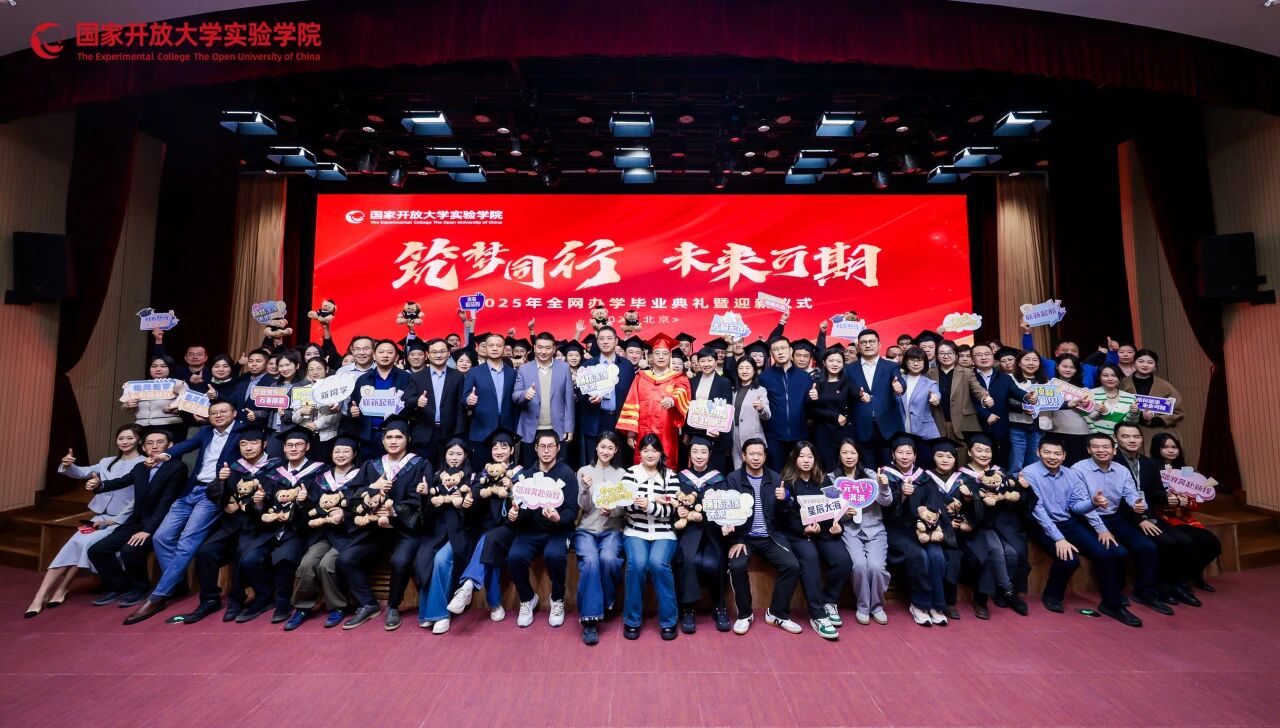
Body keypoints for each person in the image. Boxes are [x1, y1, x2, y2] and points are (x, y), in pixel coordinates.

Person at [120, 400, 244, 624]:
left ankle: (158, 596)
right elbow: (186, 445)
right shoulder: (205, 431)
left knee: (187, 541)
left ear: (234, 413)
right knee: (161, 537)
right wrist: (165, 455)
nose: (218, 415)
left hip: (213, 493)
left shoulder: (242, 432)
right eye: (214, 413)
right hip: (191, 489)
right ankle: (175, 583)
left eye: (223, 411)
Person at [1021, 435, 1142, 627]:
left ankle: (1112, 604)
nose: (1052, 457)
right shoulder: (1029, 473)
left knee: (1105, 554)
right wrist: (1059, 539)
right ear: (1038, 453)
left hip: (1068, 521)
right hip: (1040, 524)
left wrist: (1092, 503)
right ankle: (1052, 596)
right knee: (1069, 560)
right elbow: (1039, 511)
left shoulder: (1070, 474)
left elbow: (1076, 506)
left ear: (1064, 455)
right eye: (1047, 452)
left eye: (1057, 453)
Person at [26, 425, 143, 617]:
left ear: (139, 440)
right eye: (121, 438)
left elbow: (140, 499)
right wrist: (68, 465)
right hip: (99, 516)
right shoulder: (107, 462)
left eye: (130, 438)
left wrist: (115, 520)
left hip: (122, 520)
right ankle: (41, 595)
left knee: (84, 543)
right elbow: (81, 472)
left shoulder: (144, 463)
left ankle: (62, 587)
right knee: (74, 543)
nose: (125, 442)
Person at [168, 425, 277, 625]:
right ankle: (209, 599)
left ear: (264, 444)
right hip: (232, 525)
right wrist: (221, 481)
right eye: (243, 444)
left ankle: (237, 599)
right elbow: (215, 494)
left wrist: (259, 502)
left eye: (254, 443)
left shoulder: (275, 468)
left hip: (260, 527)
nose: (248, 448)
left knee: (243, 552)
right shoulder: (233, 467)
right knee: (206, 551)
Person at [337, 417, 431, 630]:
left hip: (404, 530)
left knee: (400, 560)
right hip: (374, 530)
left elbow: (420, 501)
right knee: (345, 559)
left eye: (398, 437)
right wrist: (372, 487)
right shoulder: (371, 465)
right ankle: (368, 603)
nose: (393, 441)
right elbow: (350, 495)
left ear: (408, 440)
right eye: (389, 437)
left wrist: (393, 510)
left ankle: (393, 606)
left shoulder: (420, 464)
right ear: (382, 440)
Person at [1070, 433, 1172, 616]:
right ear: (1088, 450)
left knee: (1147, 547)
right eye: (1096, 447)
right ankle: (1113, 597)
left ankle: (1144, 592)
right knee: (1117, 552)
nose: (1101, 450)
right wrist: (1101, 529)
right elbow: (1081, 505)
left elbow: (1132, 494)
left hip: (1114, 517)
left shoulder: (1122, 470)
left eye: (1105, 447)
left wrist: (1138, 505)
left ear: (1114, 450)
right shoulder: (1078, 469)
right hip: (1087, 519)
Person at [84, 429, 187, 612]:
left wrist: (147, 530)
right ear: (143, 448)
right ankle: (120, 587)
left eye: (160, 442)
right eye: (149, 443)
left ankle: (140, 588)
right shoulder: (141, 467)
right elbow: (121, 481)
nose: (154, 446)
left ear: (170, 446)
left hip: (160, 523)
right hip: (136, 521)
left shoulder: (177, 467)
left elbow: (166, 503)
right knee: (97, 550)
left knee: (130, 550)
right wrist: (100, 485)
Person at [240, 427, 325, 624]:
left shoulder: (320, 471)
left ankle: (283, 602)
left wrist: (302, 503)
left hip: (299, 530)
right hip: (270, 530)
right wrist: (259, 503)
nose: (293, 449)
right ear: (284, 448)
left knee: (285, 559)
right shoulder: (272, 471)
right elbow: (260, 503)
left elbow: (321, 503)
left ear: (307, 447)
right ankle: (263, 597)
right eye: (289, 445)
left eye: (298, 445)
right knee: (250, 560)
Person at [723, 438, 803, 636]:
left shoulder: (775, 478)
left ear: (765, 456)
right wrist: (736, 540)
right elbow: (728, 512)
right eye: (752, 454)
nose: (756, 458)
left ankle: (777, 613)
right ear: (744, 456)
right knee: (737, 565)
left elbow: (787, 515)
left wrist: (785, 500)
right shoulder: (733, 478)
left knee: (792, 565)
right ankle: (745, 614)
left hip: (770, 536)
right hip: (745, 538)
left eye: (760, 454)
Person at [283, 435, 362, 630]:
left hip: (348, 535)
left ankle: (337, 606)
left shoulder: (361, 476)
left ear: (354, 454)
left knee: (327, 565)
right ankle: (302, 607)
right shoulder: (321, 478)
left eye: (345, 451)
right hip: (323, 533)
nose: (341, 455)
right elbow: (311, 508)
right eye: (337, 451)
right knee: (307, 564)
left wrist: (344, 514)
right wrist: (302, 502)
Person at [506, 430, 579, 628]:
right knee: (514, 556)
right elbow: (520, 508)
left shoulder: (567, 474)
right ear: (536, 448)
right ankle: (527, 598)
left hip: (558, 531)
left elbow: (572, 511)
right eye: (542, 446)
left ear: (558, 448)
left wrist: (558, 518)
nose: (546, 451)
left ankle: (557, 599)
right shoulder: (526, 476)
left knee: (554, 556)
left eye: (551, 446)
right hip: (530, 531)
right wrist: (515, 515)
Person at [877, 435, 950, 627]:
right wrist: (901, 495)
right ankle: (919, 604)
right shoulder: (886, 476)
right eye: (900, 452)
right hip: (897, 530)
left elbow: (934, 504)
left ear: (915, 456)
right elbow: (885, 511)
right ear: (893, 455)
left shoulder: (924, 477)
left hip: (924, 529)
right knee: (919, 556)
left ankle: (937, 605)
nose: (904, 456)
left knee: (936, 556)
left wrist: (929, 521)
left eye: (909, 453)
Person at [777, 441, 846, 640]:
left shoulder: (824, 480)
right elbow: (785, 517)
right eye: (802, 456)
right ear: (794, 458)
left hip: (823, 532)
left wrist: (837, 523)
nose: (806, 460)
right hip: (798, 534)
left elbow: (836, 507)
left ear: (815, 459)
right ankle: (818, 615)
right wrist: (803, 528)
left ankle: (829, 601)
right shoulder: (786, 482)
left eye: (810, 456)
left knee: (843, 560)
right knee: (810, 558)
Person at [619, 433, 682, 641]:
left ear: (661, 453)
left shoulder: (670, 476)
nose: (650, 454)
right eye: (645, 450)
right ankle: (632, 620)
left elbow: (671, 511)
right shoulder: (630, 473)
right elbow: (625, 505)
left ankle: (669, 620)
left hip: (664, 532)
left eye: (654, 450)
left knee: (658, 563)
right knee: (637, 564)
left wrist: (649, 505)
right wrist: (647, 501)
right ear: (639, 453)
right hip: (635, 530)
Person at [958, 434, 1030, 618]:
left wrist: (1023, 487)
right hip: (977, 525)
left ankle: (1002, 591)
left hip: (1002, 524)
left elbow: (1020, 498)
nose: (984, 454)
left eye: (987, 450)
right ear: (969, 452)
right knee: (994, 551)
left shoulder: (1002, 473)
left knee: (1013, 553)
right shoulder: (962, 476)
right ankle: (1007, 592)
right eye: (979, 450)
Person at [1146, 431, 1223, 598]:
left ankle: (1194, 574)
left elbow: (1194, 503)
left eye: (1174, 447)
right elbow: (1150, 499)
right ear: (1156, 448)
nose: (1170, 450)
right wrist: (1169, 500)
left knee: (1213, 543)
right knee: (1187, 542)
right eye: (1165, 447)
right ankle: (1179, 581)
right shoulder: (1151, 469)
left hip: (1184, 517)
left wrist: (1187, 500)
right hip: (1162, 517)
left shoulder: (1186, 472)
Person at [827, 439, 892, 625]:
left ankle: (877, 606)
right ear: (839, 455)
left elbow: (886, 502)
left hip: (875, 530)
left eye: (853, 452)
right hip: (851, 531)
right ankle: (863, 606)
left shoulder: (871, 475)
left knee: (876, 567)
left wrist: (884, 486)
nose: (849, 456)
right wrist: (845, 514)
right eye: (845, 452)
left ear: (858, 455)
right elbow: (830, 511)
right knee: (859, 566)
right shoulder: (832, 478)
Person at [414, 439, 475, 634]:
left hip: (460, 533)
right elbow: (427, 517)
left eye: (458, 454)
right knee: (424, 560)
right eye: (451, 454)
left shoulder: (472, 478)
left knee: (441, 560)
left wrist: (468, 505)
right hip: (436, 532)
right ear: (445, 456)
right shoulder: (436, 477)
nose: (454, 458)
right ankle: (426, 612)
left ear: (465, 455)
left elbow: (477, 515)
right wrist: (425, 496)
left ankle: (440, 614)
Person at [574, 432, 627, 645]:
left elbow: (624, 506)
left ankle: (604, 601)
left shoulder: (621, 474)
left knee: (609, 559)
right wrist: (585, 489)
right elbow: (583, 506)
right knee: (590, 561)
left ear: (616, 451)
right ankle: (590, 620)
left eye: (610, 448)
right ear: (596, 447)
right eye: (602, 447)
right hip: (586, 530)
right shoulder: (584, 471)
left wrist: (612, 511)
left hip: (612, 530)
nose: (605, 451)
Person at [674, 437, 730, 634]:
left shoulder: (719, 479)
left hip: (713, 531)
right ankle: (688, 608)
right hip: (689, 530)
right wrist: (679, 512)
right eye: (695, 451)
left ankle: (720, 606)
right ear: (689, 454)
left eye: (703, 452)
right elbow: (673, 505)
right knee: (688, 559)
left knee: (717, 561)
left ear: (710, 454)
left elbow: (726, 508)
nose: (699, 456)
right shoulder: (680, 478)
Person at [616, 333, 690, 464]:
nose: (661, 357)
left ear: (670, 357)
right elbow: (632, 402)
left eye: (665, 353)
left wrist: (673, 400)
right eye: (657, 353)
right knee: (642, 462)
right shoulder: (641, 377)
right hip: (643, 430)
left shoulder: (678, 377)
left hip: (667, 431)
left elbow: (682, 390)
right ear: (650, 356)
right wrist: (631, 433)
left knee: (666, 463)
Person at [512, 332, 575, 467]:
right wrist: (525, 395)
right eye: (540, 347)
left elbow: (569, 400)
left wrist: (569, 426)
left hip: (557, 428)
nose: (543, 351)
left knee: (557, 469)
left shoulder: (564, 368)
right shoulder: (524, 369)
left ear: (554, 349)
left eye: (547, 348)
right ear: (534, 348)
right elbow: (515, 395)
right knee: (531, 469)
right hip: (531, 429)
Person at [342, 339, 415, 456]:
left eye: (390, 352)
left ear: (396, 357)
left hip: (396, 436)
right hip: (369, 436)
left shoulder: (406, 378)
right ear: (374, 356)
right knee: (369, 466)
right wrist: (353, 410)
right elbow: (353, 403)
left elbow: (412, 404)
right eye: (381, 352)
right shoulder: (363, 379)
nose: (385, 355)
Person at [578, 325, 637, 469]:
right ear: (597, 342)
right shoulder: (588, 366)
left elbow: (633, 395)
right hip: (596, 420)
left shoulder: (626, 366)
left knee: (619, 464)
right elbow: (580, 394)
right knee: (594, 463)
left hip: (619, 422)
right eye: (602, 339)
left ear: (616, 341)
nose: (605, 342)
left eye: (609, 338)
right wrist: (589, 399)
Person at [846, 329, 906, 469]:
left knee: (889, 470)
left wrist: (900, 387)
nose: (868, 345)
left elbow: (900, 381)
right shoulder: (849, 369)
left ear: (879, 344)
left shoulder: (891, 366)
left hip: (887, 427)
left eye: (872, 341)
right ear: (858, 346)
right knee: (867, 470)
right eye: (863, 342)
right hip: (861, 427)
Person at [461, 332, 519, 470]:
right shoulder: (474, 372)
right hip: (481, 430)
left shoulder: (512, 373)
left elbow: (515, 402)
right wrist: (469, 400)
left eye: (498, 345)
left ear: (504, 348)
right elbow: (464, 398)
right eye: (491, 345)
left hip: (506, 430)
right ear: (484, 348)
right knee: (481, 472)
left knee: (506, 472)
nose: (494, 348)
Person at [407, 338, 466, 464]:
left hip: (449, 434)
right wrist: (417, 402)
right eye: (434, 352)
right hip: (424, 433)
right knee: (423, 470)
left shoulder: (458, 376)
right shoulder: (416, 377)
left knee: (447, 471)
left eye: (442, 351)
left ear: (448, 353)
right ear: (428, 355)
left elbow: (460, 408)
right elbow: (407, 401)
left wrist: (458, 433)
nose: (438, 355)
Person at [759, 336, 814, 470]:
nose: (780, 352)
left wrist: (814, 398)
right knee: (776, 474)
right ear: (771, 354)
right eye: (775, 349)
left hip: (800, 436)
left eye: (783, 348)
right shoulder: (764, 378)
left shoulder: (805, 377)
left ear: (790, 350)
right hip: (774, 437)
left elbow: (810, 408)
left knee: (799, 473)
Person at [808, 349, 857, 473]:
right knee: (825, 466)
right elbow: (811, 410)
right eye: (831, 361)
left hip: (844, 431)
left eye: (839, 361)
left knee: (844, 466)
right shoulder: (816, 383)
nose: (835, 364)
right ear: (824, 363)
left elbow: (857, 401)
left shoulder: (849, 383)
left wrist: (864, 396)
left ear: (843, 364)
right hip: (823, 432)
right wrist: (834, 415)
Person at [685, 346, 734, 471]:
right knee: (696, 468)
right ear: (698, 362)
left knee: (715, 469)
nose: (706, 364)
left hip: (716, 435)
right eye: (702, 361)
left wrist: (719, 429)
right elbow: (687, 407)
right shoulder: (691, 381)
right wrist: (686, 432)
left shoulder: (724, 382)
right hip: (695, 433)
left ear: (716, 362)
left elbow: (726, 409)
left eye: (709, 360)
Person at [1120, 349, 1185, 441]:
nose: (1145, 365)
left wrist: (1154, 420)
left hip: (1160, 433)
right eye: (1140, 361)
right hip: (1130, 433)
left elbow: (1178, 412)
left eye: (1150, 362)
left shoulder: (1165, 386)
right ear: (1134, 363)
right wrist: (1139, 416)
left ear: (1155, 365)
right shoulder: (1122, 384)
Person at [929, 341, 985, 446]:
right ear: (936, 355)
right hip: (937, 423)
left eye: (950, 353)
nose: (946, 356)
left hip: (963, 423)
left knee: (963, 454)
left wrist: (984, 397)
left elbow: (977, 388)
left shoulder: (966, 372)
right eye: (942, 353)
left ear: (956, 355)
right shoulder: (928, 373)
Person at [123, 355, 186, 445]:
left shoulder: (178, 383)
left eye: (163, 366)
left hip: (169, 426)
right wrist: (126, 405)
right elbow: (124, 408)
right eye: (154, 366)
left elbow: (189, 406)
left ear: (170, 368)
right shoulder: (137, 386)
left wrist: (180, 394)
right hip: (142, 426)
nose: (158, 369)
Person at [970, 343, 1015, 467]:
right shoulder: (967, 376)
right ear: (972, 359)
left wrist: (1027, 397)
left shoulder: (1005, 378)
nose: (984, 357)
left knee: (1001, 462)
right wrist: (986, 414)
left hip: (1000, 427)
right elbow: (966, 401)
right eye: (979, 355)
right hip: (976, 426)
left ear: (993, 356)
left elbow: (1017, 393)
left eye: (987, 354)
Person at [894, 347, 942, 459]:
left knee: (925, 463)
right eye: (912, 360)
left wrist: (935, 398)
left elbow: (935, 393)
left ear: (924, 363)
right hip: (900, 431)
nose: (916, 364)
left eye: (920, 360)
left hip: (924, 433)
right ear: (906, 362)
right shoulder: (898, 381)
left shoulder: (930, 383)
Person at [1007, 350, 1047, 476]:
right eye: (1027, 359)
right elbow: (1005, 400)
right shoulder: (1010, 378)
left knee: (1034, 461)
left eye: (1035, 360)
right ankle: (1014, 485)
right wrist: (1022, 407)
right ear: (1019, 363)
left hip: (1038, 427)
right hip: (1017, 425)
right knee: (1016, 461)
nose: (1031, 363)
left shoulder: (1045, 381)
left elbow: (1052, 402)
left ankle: (1031, 485)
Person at [1048, 354, 1093, 465]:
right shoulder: (1048, 386)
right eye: (1065, 366)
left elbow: (1091, 413)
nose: (1068, 369)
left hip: (1078, 432)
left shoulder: (1084, 390)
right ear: (1057, 366)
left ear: (1077, 370)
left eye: (1072, 367)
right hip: (1054, 431)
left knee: (1077, 466)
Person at [731, 357, 770, 469]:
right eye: (741, 368)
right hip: (734, 436)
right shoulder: (732, 390)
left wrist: (761, 408)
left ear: (754, 371)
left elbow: (767, 415)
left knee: (755, 469)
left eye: (748, 368)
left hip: (753, 437)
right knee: (738, 469)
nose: (744, 371)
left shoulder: (760, 390)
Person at [1088, 364, 1139, 436]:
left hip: (1119, 439)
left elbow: (1131, 424)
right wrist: (1097, 436)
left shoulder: (1130, 398)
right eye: (1105, 375)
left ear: (1120, 377)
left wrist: (1134, 413)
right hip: (1095, 439)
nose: (1110, 379)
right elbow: (1087, 418)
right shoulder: (1090, 394)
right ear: (1099, 377)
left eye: (1114, 375)